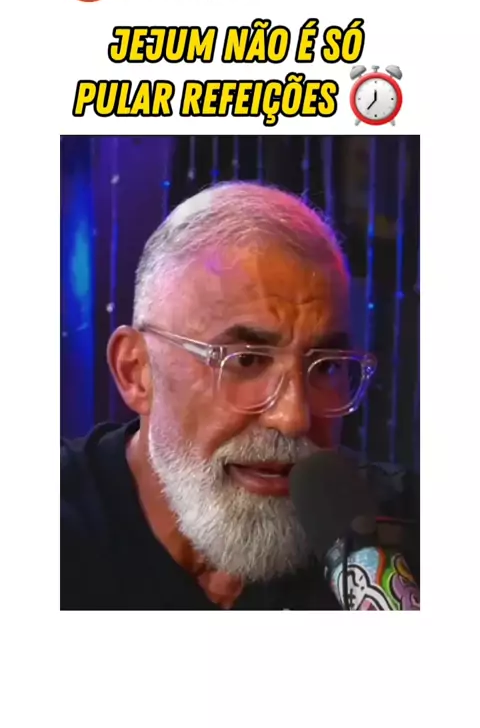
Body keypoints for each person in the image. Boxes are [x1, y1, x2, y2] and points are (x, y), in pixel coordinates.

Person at [61, 181, 379, 610]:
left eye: (326, 367)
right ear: (136, 372)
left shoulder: (397, 529)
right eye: (246, 360)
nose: (294, 418)